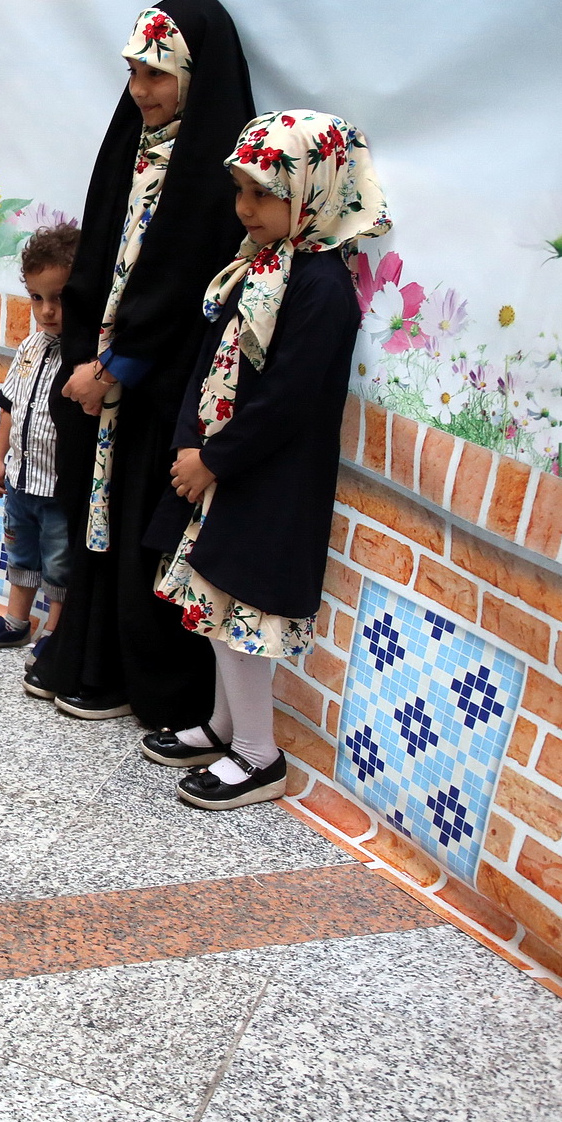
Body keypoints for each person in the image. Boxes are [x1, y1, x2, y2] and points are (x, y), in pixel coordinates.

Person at [139, 111, 389, 809]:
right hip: (223, 471)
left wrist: (215, 460)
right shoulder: (257, 267)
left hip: (267, 481)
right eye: (241, 191)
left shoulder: (322, 288)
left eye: (264, 192)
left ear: (311, 189)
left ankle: (259, 755)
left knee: (240, 613)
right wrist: (190, 440)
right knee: (214, 601)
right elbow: (209, 357)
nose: (246, 208)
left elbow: (288, 401)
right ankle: (226, 726)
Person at [28, 0, 255, 726]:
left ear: (194, 75)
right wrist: (85, 358)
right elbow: (100, 252)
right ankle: (87, 657)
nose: (140, 91)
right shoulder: (132, 142)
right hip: (99, 376)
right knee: (92, 518)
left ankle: (147, 680)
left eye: (157, 74)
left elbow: (188, 276)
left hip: (159, 388)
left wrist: (118, 366)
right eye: (132, 72)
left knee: (138, 528)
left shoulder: (217, 167)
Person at [0, 223, 80, 660]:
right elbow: (9, 404)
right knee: (21, 552)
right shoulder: (30, 346)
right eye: (37, 298)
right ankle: (16, 620)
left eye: (59, 298)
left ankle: (55, 628)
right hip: (20, 478)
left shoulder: (85, 355)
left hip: (57, 485)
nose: (47, 311)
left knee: (58, 560)